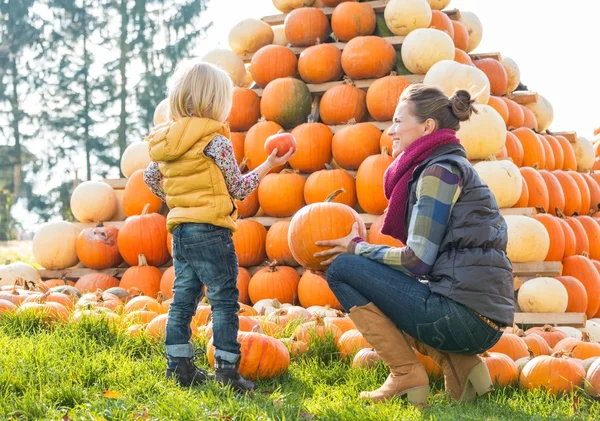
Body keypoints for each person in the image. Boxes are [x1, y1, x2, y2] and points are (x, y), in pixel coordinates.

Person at [315, 85, 514, 406]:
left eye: (397, 121)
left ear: (427, 127)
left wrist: (357, 248)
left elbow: (417, 260)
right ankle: (464, 368)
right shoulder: (448, 165)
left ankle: (405, 374)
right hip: (477, 316)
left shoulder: (438, 173)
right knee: (375, 281)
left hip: (464, 319)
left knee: (341, 269)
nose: (390, 130)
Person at [143, 59, 294, 391]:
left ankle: (178, 367)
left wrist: (179, 197)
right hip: (211, 230)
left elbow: (151, 178)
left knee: (183, 299)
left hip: (180, 230)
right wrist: (269, 164)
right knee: (224, 299)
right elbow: (238, 189)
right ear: (216, 103)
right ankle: (227, 370)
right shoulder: (216, 141)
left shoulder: (165, 141)